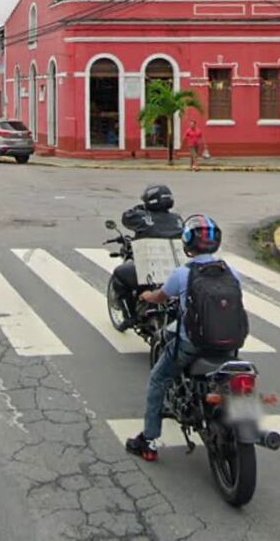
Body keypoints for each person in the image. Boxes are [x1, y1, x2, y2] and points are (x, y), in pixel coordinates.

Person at [125, 214, 246, 461]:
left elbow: (161, 297)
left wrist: (147, 296)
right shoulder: (232, 272)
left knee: (158, 379)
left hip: (192, 345)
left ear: (187, 244)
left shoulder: (182, 274)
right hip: (229, 347)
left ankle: (148, 440)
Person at [112, 185, 183, 324]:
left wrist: (141, 208)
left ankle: (129, 316)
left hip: (151, 269)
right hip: (175, 268)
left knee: (119, 274)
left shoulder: (142, 217)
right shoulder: (177, 219)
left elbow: (126, 217)